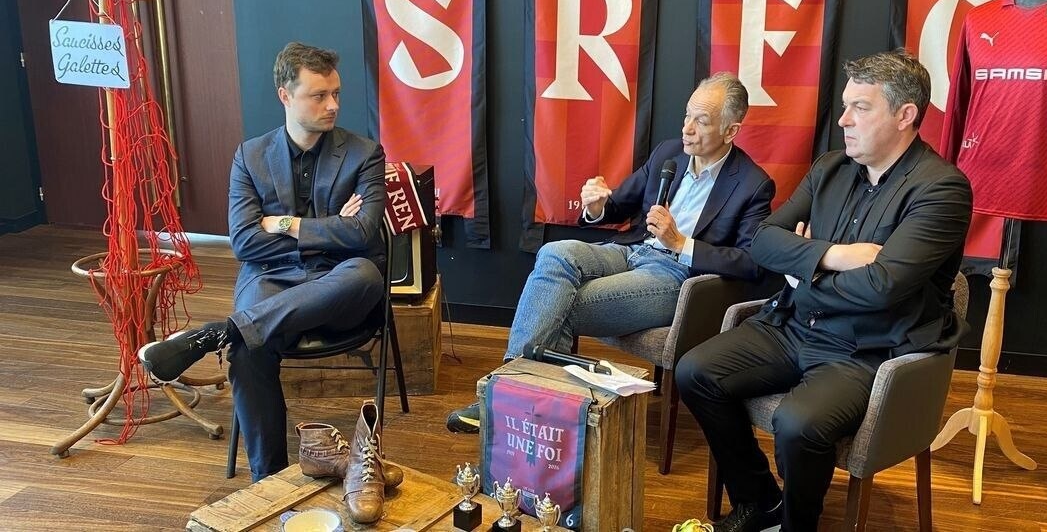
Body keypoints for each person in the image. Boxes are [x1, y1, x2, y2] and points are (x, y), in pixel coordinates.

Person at [676, 50, 972, 532]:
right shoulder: (830, 168)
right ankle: (759, 500)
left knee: (798, 424)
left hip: (866, 348)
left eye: (860, 107)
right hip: (793, 326)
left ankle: (799, 525)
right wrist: (835, 255)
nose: (843, 120)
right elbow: (762, 240)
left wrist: (801, 270)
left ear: (905, 115)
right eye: (845, 105)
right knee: (695, 371)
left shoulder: (941, 190)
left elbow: (881, 289)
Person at [446, 73, 776, 433]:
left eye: (702, 121)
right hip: (631, 252)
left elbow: (751, 263)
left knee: (556, 305)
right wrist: (598, 206)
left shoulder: (752, 184)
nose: (687, 128)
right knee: (556, 252)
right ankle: (521, 399)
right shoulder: (669, 154)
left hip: (674, 276)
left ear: (730, 131)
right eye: (687, 115)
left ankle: (506, 398)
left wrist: (681, 243)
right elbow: (618, 204)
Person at [139, 42, 387, 481]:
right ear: (285, 95)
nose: (333, 105)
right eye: (319, 95)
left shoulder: (364, 154)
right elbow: (245, 243)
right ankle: (268, 482)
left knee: (366, 272)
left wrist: (285, 224)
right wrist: (329, 232)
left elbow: (364, 233)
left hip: (339, 286)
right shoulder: (250, 157)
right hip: (273, 279)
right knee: (248, 348)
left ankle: (219, 332)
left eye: (336, 93)